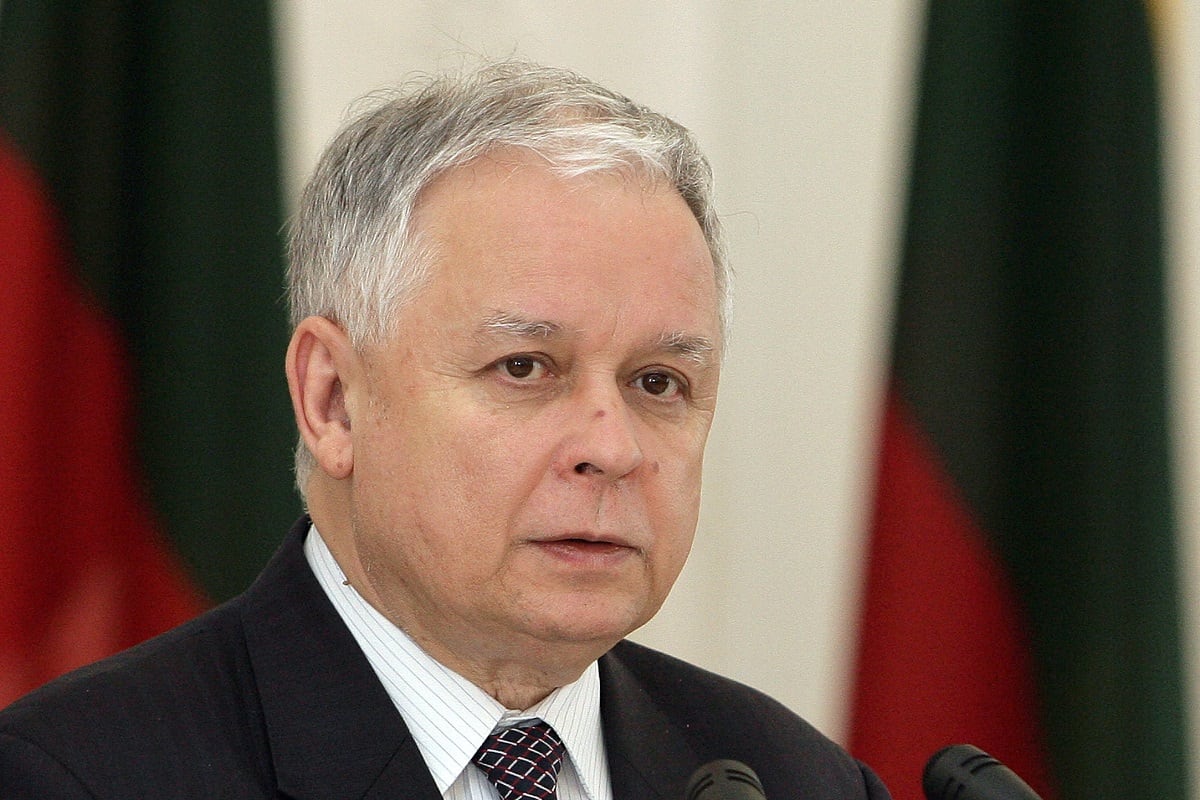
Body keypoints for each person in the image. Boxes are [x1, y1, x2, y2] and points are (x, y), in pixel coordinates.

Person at [0, 61, 890, 800]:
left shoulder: (798, 779)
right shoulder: (78, 777)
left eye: (659, 382)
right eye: (525, 368)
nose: (612, 447)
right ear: (333, 401)